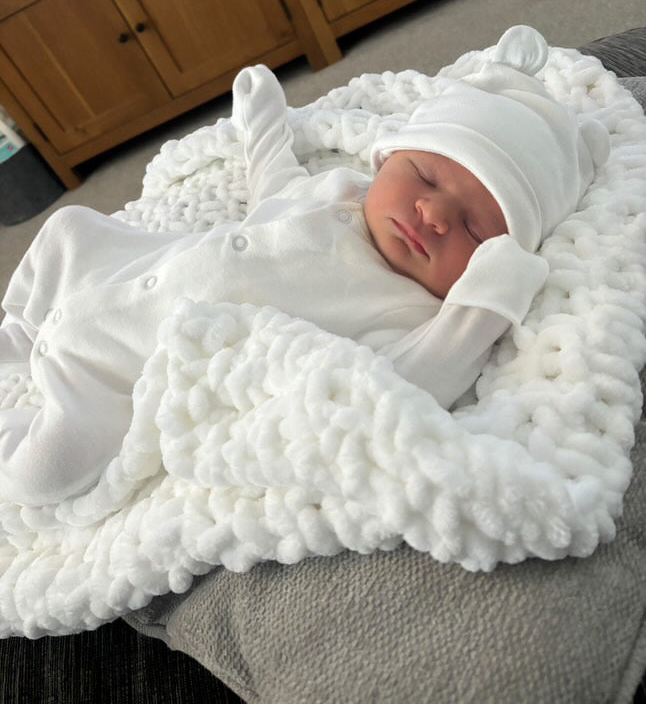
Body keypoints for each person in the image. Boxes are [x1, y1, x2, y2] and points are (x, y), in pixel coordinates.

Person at [0, 26, 609, 506]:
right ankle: (20, 337)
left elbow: (411, 386)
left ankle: (24, 410)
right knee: (68, 229)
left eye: (476, 228)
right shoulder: (344, 191)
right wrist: (262, 124)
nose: (433, 213)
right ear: (384, 163)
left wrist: (484, 306)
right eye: (423, 176)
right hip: (132, 269)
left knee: (43, 475)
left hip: (126, 372)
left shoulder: (409, 311)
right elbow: (277, 188)